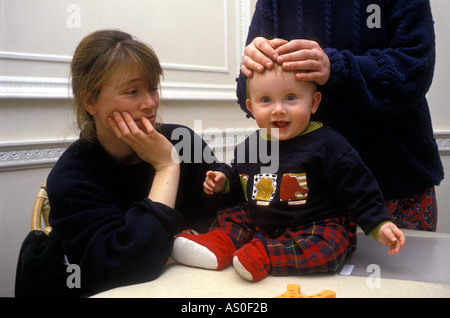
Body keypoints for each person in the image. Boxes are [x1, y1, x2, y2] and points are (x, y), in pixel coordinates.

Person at [171, 63, 405, 282]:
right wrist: (223, 179)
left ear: (313, 103)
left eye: (291, 98)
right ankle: (217, 245)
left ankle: (264, 256)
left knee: (331, 245)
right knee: (232, 214)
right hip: (260, 220)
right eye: (266, 100)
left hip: (314, 225)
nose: (279, 109)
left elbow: (359, 189)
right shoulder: (251, 145)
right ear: (251, 107)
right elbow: (238, 175)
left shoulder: (329, 145)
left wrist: (378, 223)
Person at [46, 29, 233, 296]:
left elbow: (230, 213)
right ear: (90, 101)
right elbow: (126, 266)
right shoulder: (72, 176)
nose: (150, 103)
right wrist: (166, 166)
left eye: (153, 88)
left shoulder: (182, 141)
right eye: (132, 91)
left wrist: (226, 182)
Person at [236, 0, 444, 231]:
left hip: (396, 188)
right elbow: (248, 96)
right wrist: (252, 70)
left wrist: (337, 68)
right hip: (303, 200)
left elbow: (415, 69)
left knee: (405, 265)